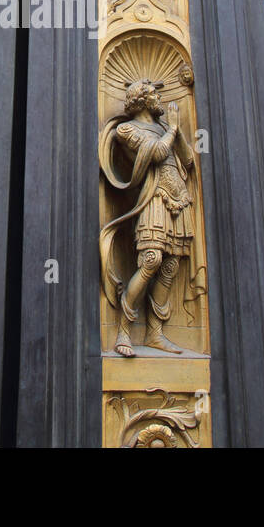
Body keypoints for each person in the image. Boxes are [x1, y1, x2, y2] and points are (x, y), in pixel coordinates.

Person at [99, 79, 198, 356]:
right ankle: (124, 331)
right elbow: (156, 153)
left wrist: (176, 133)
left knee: (170, 266)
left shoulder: (165, 128)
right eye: (154, 93)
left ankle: (155, 334)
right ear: (141, 99)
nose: (159, 98)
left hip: (178, 201)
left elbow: (188, 161)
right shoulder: (126, 129)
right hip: (154, 199)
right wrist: (175, 128)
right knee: (151, 260)